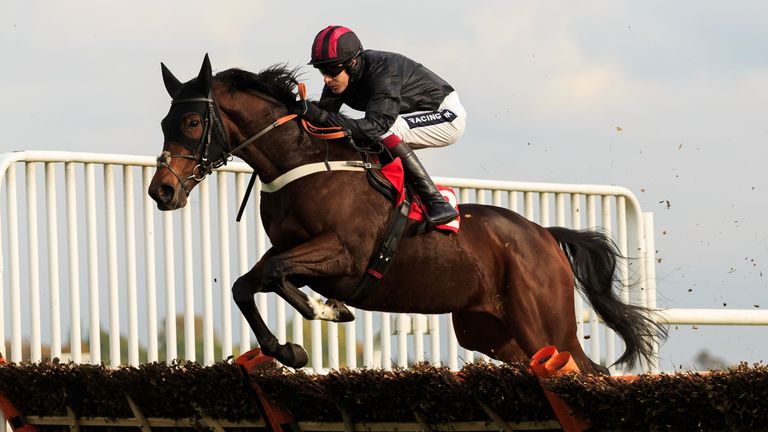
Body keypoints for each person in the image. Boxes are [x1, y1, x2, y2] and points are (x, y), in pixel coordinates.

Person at [292, 25, 466, 226]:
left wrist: (320, 116)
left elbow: (375, 127)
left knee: (384, 132)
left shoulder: (384, 71)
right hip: (407, 118)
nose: (326, 78)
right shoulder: (338, 79)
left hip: (446, 115)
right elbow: (325, 118)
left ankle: (436, 202)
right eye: (322, 70)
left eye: (331, 70)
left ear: (353, 63)